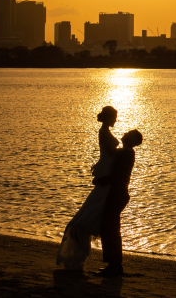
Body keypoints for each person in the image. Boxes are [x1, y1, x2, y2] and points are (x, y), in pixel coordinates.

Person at [56, 106, 119, 270]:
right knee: (91, 213)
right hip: (106, 173)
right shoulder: (104, 132)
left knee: (93, 211)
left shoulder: (105, 131)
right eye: (114, 117)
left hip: (106, 171)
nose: (116, 120)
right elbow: (112, 152)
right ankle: (77, 255)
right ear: (108, 118)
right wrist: (127, 150)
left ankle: (79, 255)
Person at [93, 129, 143, 277]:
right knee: (109, 229)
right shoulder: (125, 153)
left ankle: (114, 265)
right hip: (118, 194)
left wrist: (99, 180)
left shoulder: (126, 154)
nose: (125, 133)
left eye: (129, 134)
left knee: (110, 229)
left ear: (132, 141)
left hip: (118, 194)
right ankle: (113, 265)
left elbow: (116, 176)